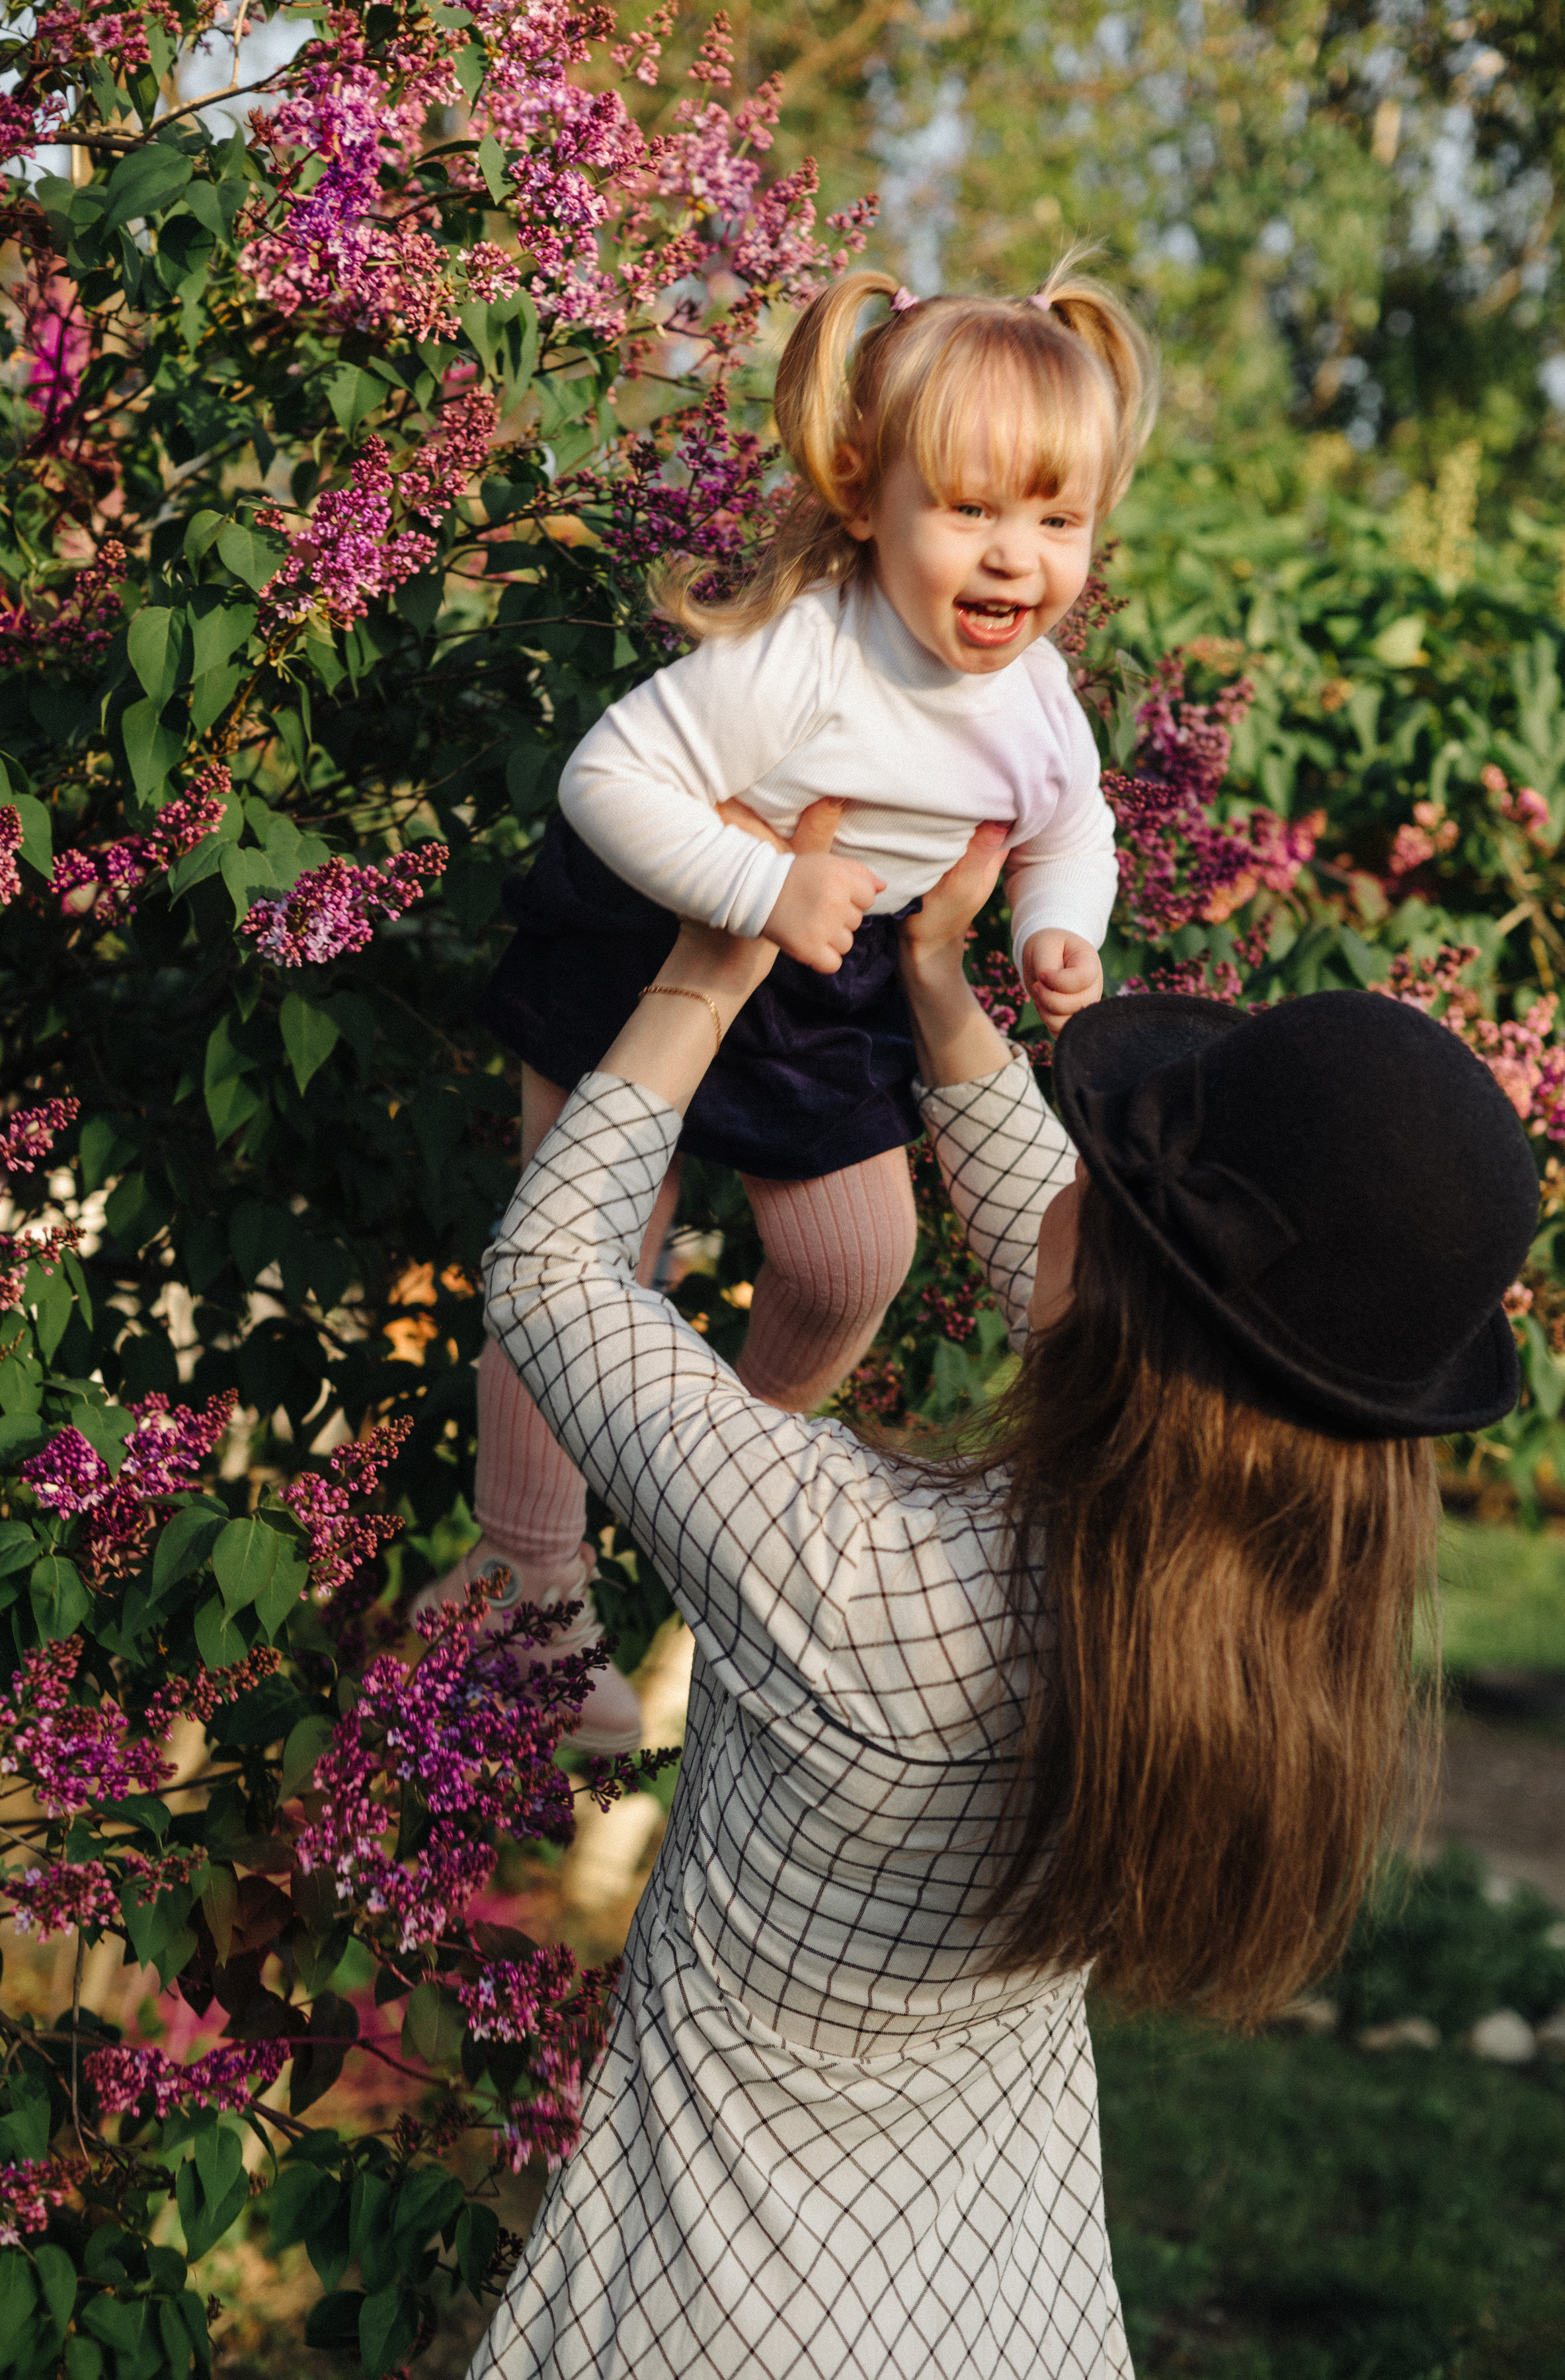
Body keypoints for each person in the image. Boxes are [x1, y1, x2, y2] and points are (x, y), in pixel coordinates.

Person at [464, 819, 1539, 2380]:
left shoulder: (850, 1568)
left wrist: (702, 974)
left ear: (1116, 1274)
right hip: (997, 2294)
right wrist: (942, 997)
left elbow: (558, 1274)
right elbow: (1113, 1294)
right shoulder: (1246, 1614)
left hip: (707, 2309)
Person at [421, 261, 1158, 1750]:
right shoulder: (803, 655)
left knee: (854, 1259)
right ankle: (525, 1578)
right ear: (865, 494)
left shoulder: (1037, 703)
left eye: (1056, 521)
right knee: (589, 1248)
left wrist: (1059, 932)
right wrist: (753, 898)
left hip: (831, 974)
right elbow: (607, 780)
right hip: (656, 925)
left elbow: (1074, 830)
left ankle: (723, 1492)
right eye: (971, 510)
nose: (1018, 559)